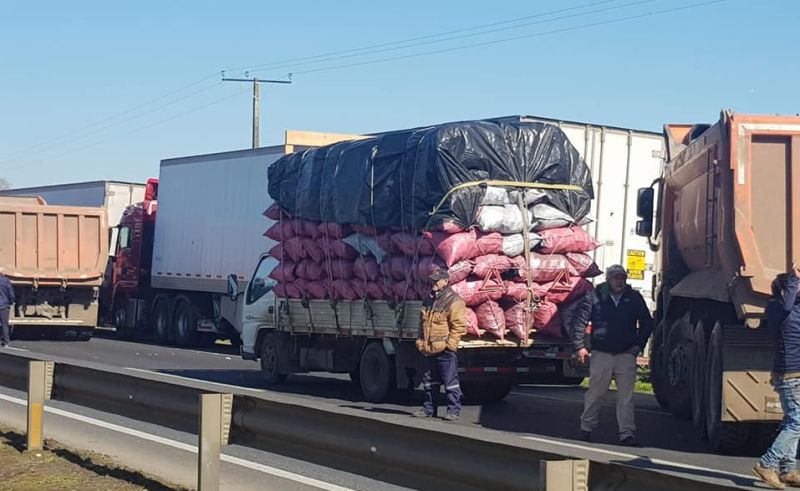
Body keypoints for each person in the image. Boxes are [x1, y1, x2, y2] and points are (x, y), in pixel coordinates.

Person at [570, 264, 653, 447]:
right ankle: (586, 428)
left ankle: (627, 433)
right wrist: (580, 347)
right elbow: (580, 321)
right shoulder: (595, 296)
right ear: (608, 279)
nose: (619, 281)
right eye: (616, 278)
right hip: (601, 353)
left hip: (625, 354)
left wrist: (637, 347)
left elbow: (647, 322)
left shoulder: (633, 297)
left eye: (622, 278)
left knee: (626, 397)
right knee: (595, 393)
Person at [753, 264, 800, 490]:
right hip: (790, 374)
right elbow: (789, 301)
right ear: (784, 291)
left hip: (792, 373)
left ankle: (788, 470)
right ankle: (767, 464)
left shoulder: (788, 310)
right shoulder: (779, 309)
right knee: (796, 422)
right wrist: (793, 278)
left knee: (794, 421)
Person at [413, 268, 467, 421]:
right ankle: (429, 409)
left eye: (437, 280)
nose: (433, 283)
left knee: (450, 382)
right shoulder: (429, 300)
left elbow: (459, 326)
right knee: (429, 381)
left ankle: (453, 411)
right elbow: (421, 324)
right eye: (432, 280)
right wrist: (420, 341)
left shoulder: (454, 301)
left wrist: (450, 345)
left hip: (444, 349)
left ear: (445, 281)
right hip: (429, 349)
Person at [0, 270, 15, 347]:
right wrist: (10, 302)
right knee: (4, 324)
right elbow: (11, 294)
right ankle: (5, 342)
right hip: (4, 306)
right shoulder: (6, 281)